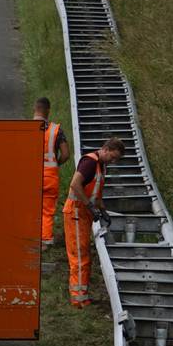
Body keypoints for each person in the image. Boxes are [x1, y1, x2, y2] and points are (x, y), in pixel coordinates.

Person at [61, 136, 124, 307]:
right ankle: (78, 298)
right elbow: (75, 184)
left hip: (83, 214)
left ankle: (81, 295)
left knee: (83, 255)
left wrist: (102, 210)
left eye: (116, 160)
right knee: (79, 256)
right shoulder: (90, 162)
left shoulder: (100, 166)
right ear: (105, 149)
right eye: (112, 157)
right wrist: (89, 205)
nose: (113, 161)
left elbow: (94, 193)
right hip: (76, 213)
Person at [35, 97, 70, 247]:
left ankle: (27, 237)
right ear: (48, 110)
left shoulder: (23, 127)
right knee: (47, 210)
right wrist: (56, 163)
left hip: (28, 175)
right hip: (49, 176)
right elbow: (66, 154)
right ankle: (45, 239)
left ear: (35, 109)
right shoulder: (56, 130)